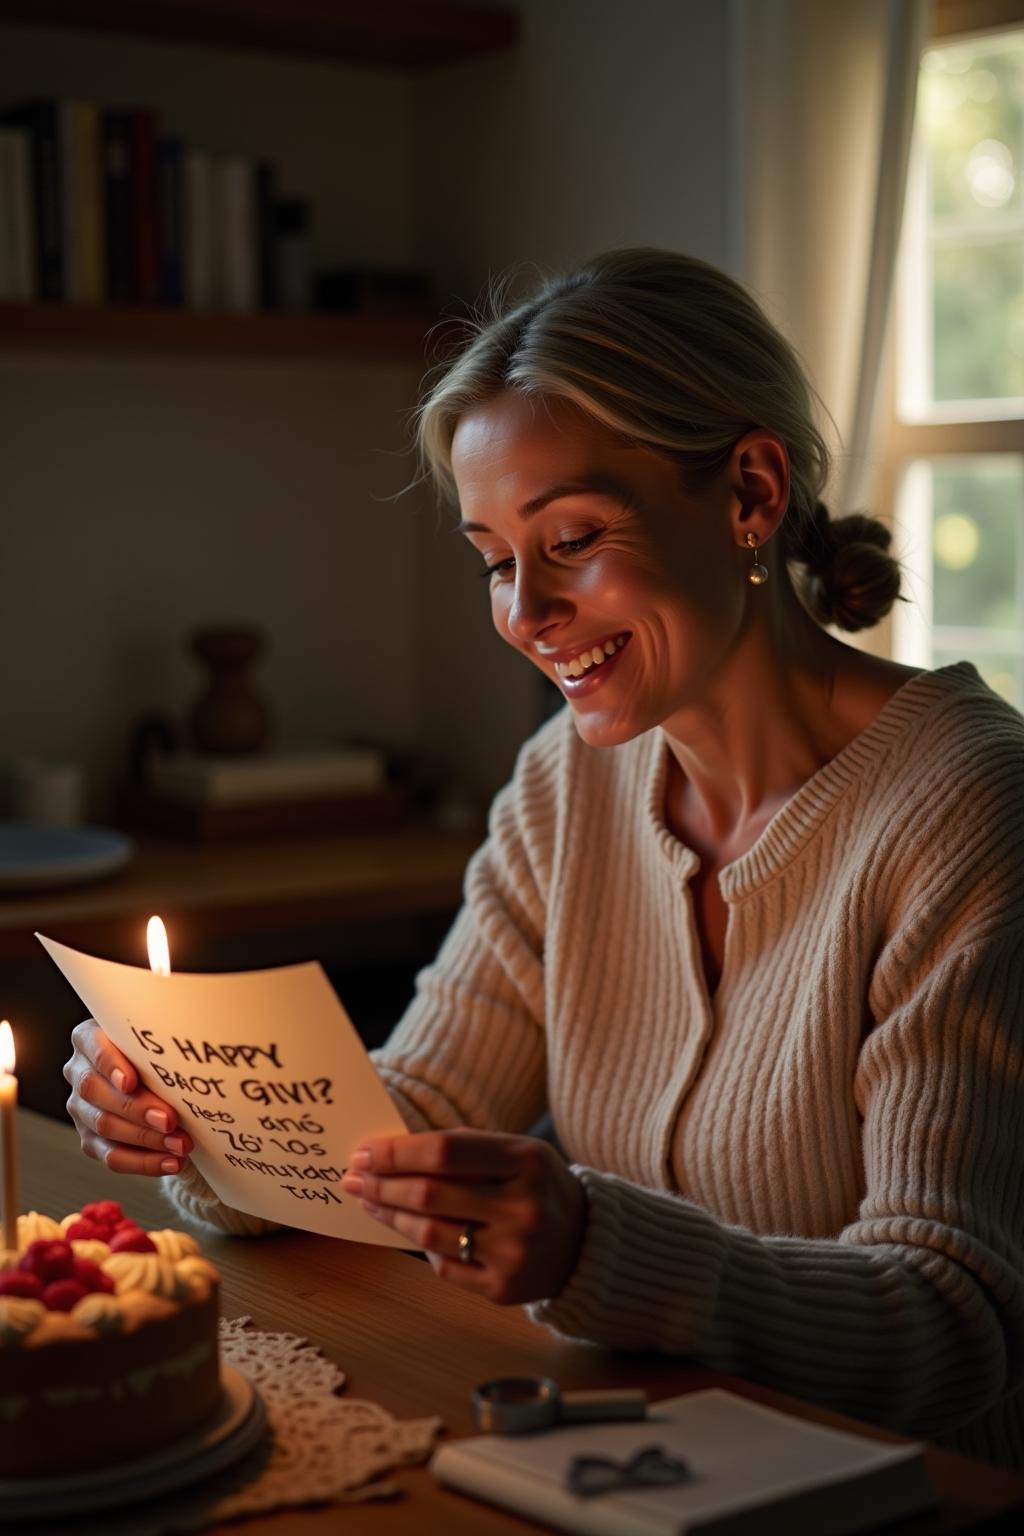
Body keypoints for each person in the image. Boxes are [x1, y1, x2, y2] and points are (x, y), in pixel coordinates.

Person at [65, 249, 1024, 1471]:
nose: (524, 613)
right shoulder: (568, 783)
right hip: (643, 1470)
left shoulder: (965, 807)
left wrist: (588, 1247)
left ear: (749, 490)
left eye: (571, 538)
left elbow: (955, 1324)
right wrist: (207, 1110)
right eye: (493, 558)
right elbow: (408, 1127)